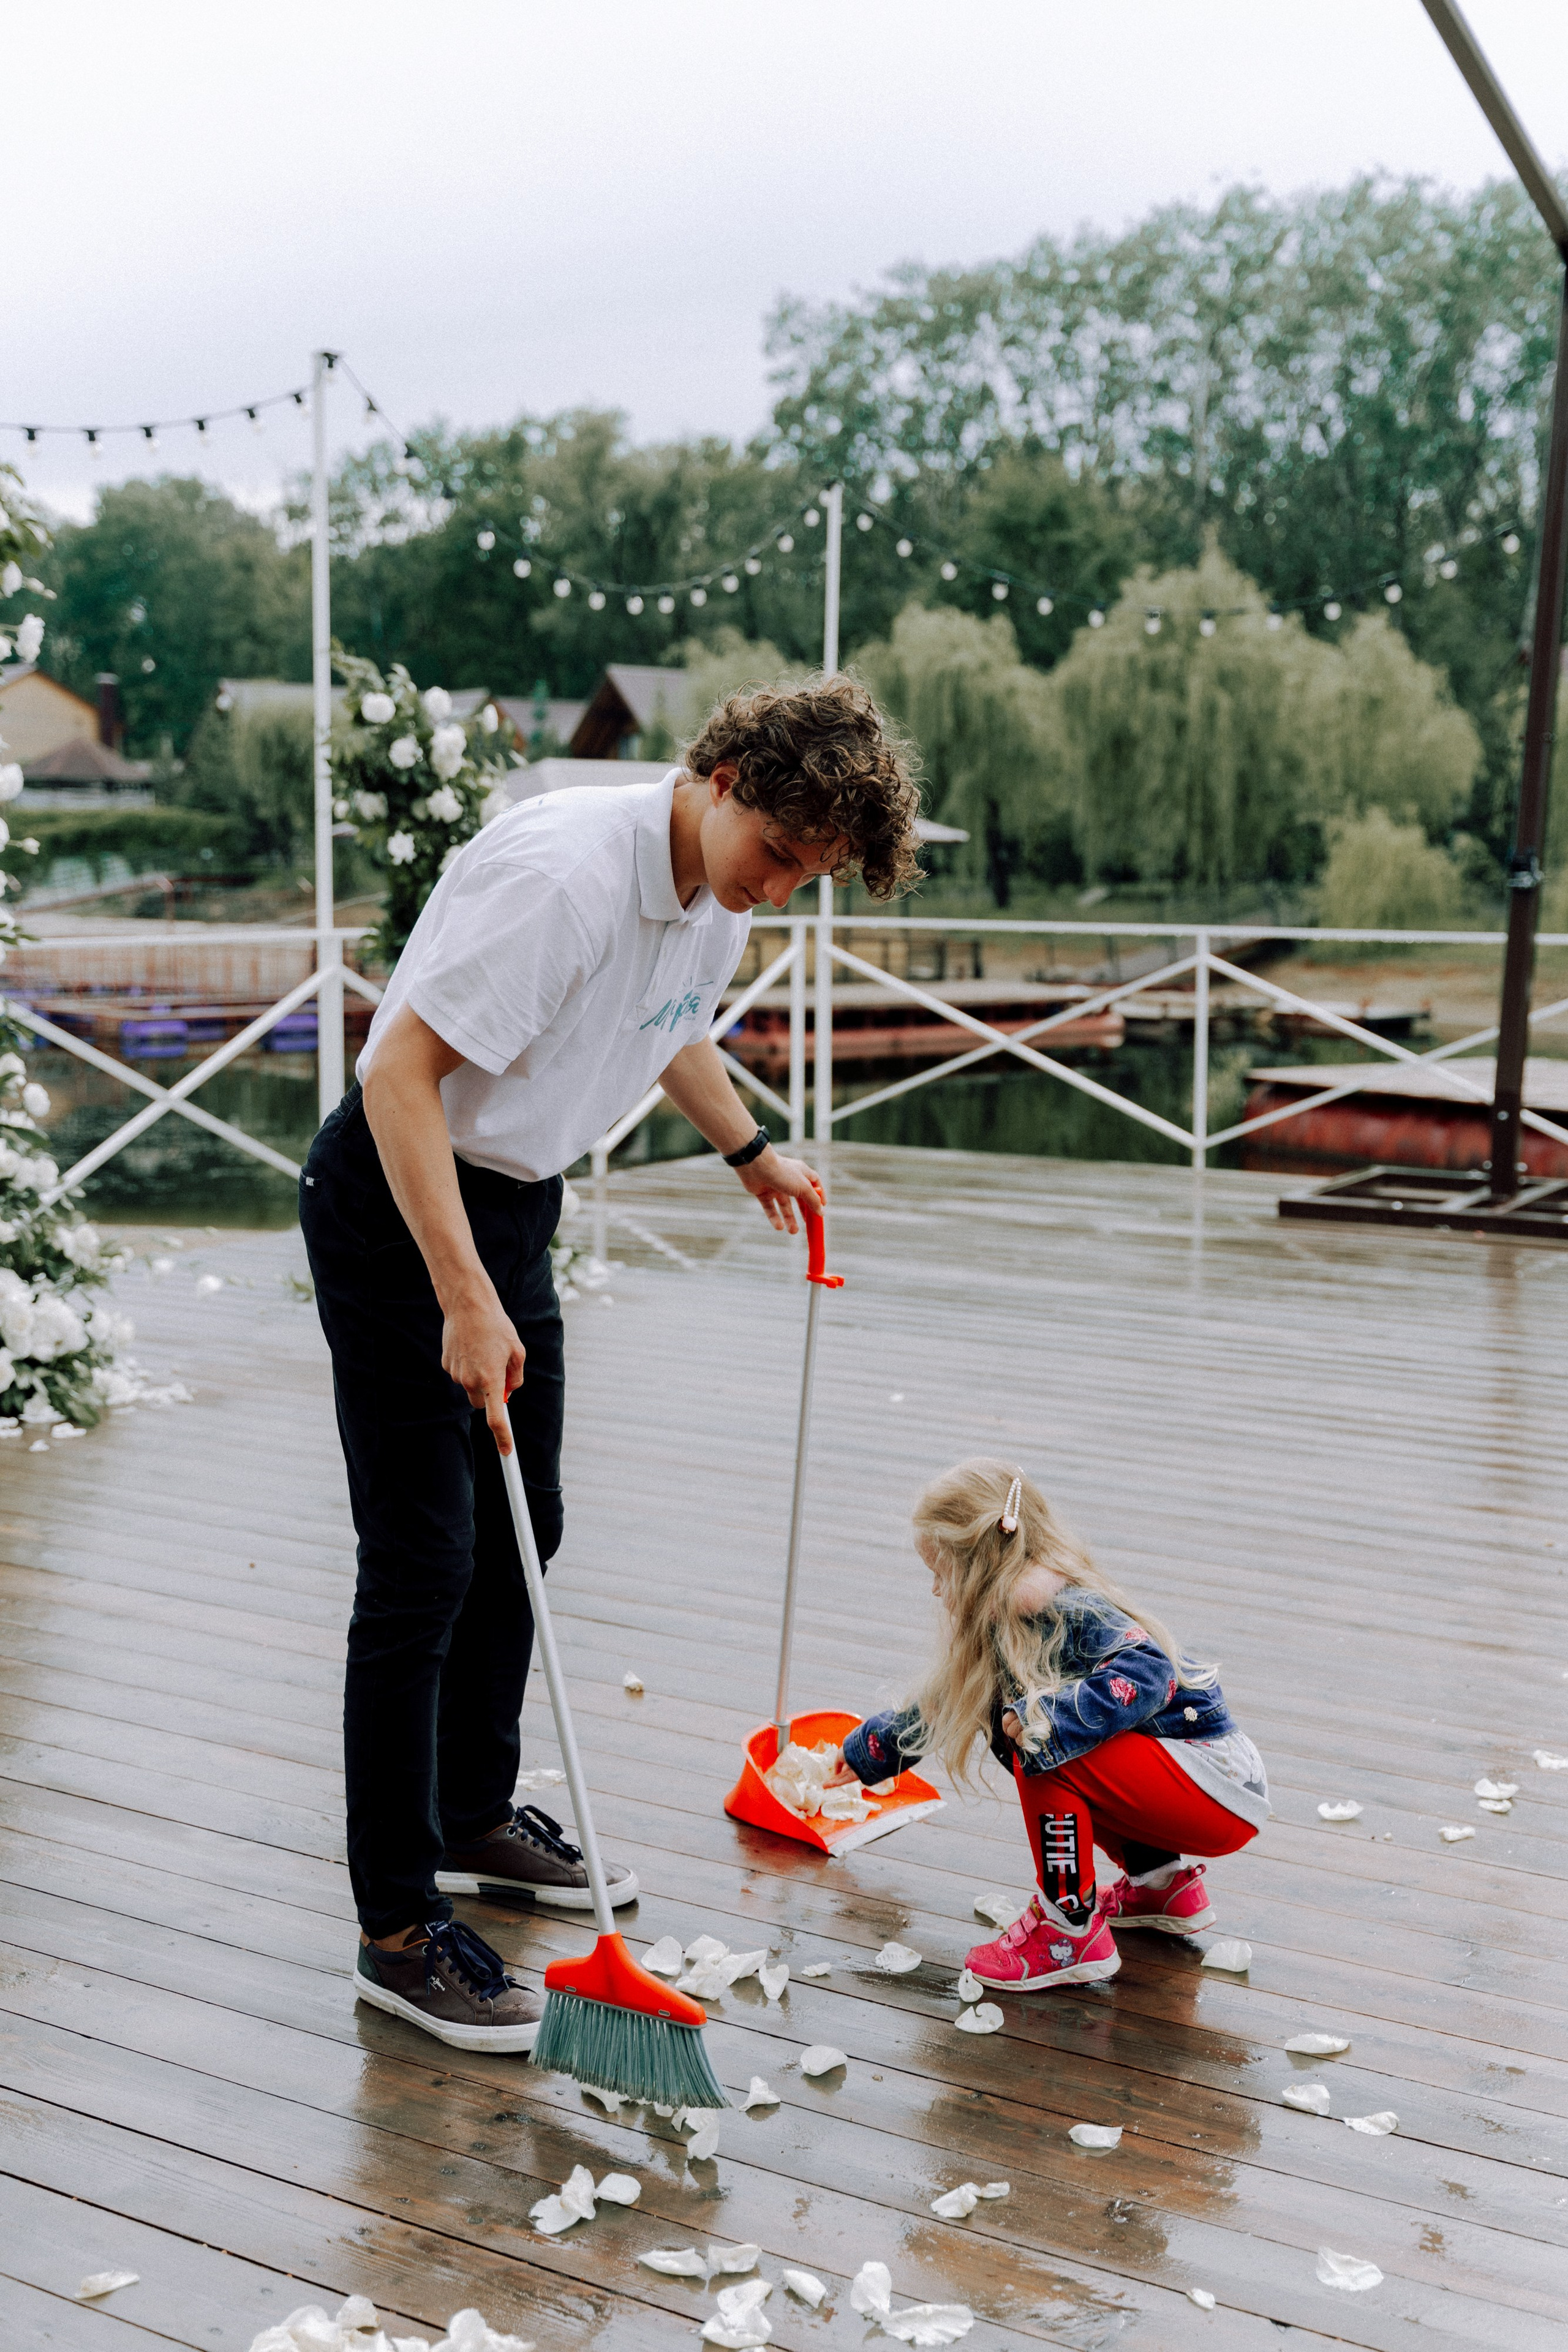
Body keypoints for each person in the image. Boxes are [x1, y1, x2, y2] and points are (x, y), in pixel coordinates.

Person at [299, 676, 920, 2052]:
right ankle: (397, 1934)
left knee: (531, 1525)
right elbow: (397, 1075)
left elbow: (665, 1023)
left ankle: (469, 1815)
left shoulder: (715, 889)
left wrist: (749, 1149)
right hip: (401, 1204)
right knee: (422, 1563)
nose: (777, 891)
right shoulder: (562, 876)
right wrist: (462, 1294)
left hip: (514, 1205)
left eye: (808, 877)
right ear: (723, 777)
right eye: (778, 854)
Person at [833, 1458, 1268, 1989]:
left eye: (941, 1574)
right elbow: (947, 1702)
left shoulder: (1068, 1607)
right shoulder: (1010, 1620)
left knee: (1041, 1738)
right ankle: (1160, 1885)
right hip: (1199, 1784)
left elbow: (1149, 1670)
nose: (936, 1591)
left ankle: (1068, 1929)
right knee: (1022, 1722)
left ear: (977, 1565)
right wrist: (866, 1754)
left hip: (1217, 1783)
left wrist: (1052, 1721)